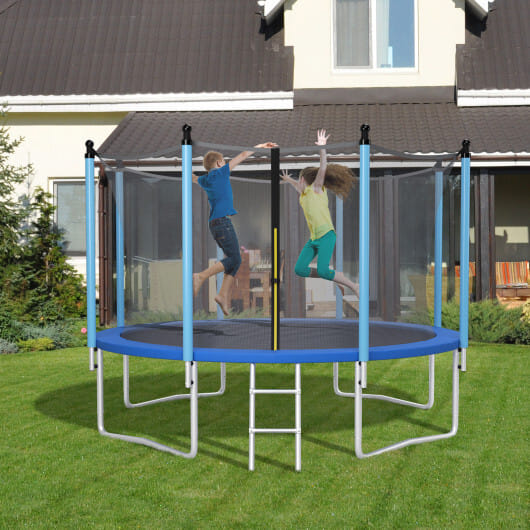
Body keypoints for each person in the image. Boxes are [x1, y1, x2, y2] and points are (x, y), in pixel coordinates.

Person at [192, 142, 277, 315]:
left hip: (214, 225)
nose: (225, 163)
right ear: (219, 163)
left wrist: (186, 167)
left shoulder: (205, 180)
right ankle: (201, 276)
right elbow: (243, 155)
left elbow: (193, 178)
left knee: (235, 260)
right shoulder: (221, 172)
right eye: (223, 161)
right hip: (223, 223)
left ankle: (222, 295)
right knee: (235, 258)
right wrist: (260, 146)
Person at [280, 129, 359, 297]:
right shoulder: (303, 194)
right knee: (300, 269)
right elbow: (296, 186)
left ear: (303, 180)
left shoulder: (316, 189)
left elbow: (323, 168)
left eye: (298, 181)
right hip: (314, 239)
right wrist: (288, 180)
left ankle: (353, 285)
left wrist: (322, 147)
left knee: (323, 270)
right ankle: (334, 276)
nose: (297, 184)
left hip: (326, 235)